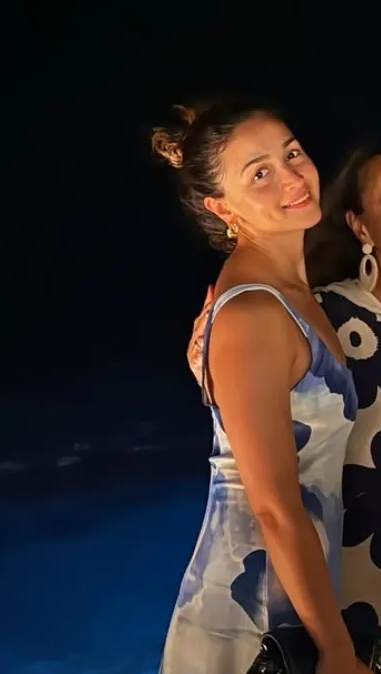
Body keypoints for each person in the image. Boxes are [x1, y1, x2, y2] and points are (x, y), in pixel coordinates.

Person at [188, 144, 381, 673]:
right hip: (357, 587)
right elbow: (258, 412)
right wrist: (205, 370)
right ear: (360, 226)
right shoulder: (327, 317)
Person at [152, 101, 369, 674]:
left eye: (292, 153)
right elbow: (273, 507)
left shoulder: (294, 295)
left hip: (296, 605)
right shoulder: (254, 311)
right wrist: (337, 650)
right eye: (260, 173)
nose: (292, 177)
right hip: (250, 624)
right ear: (222, 208)